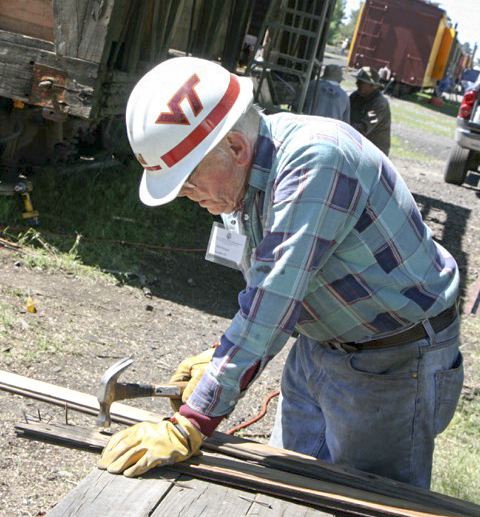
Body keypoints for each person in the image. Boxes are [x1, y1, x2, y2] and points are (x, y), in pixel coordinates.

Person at [98, 56, 462, 490]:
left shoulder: (315, 161)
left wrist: (190, 423)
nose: (185, 195)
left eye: (189, 179)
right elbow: (265, 288)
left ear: (234, 147)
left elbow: (272, 300)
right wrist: (217, 358)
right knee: (284, 495)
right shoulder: (249, 177)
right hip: (318, 349)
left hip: (392, 364)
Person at [350, 66, 391, 156]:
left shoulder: (379, 103)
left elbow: (364, 128)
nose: (357, 84)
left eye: (361, 82)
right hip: (357, 147)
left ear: (372, 85)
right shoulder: (355, 96)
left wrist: (343, 129)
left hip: (373, 154)